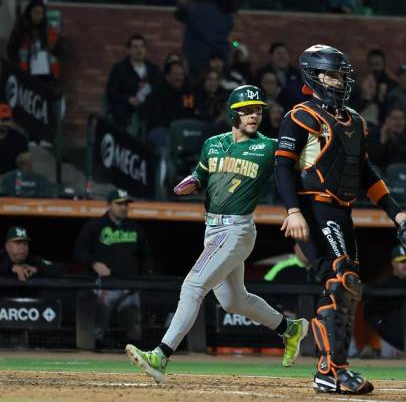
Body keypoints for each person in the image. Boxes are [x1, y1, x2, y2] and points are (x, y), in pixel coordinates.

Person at [274, 45, 406, 394]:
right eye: (333, 75)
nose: (340, 81)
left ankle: (327, 369)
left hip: (342, 212)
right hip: (313, 208)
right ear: (314, 76)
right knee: (340, 280)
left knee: (348, 288)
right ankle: (332, 369)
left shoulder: (357, 122)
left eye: (342, 75)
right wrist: (292, 211)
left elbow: (365, 173)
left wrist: (398, 215)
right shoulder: (300, 116)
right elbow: (282, 166)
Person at [126, 85, 309, 383]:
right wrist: (192, 182)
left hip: (236, 229)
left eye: (258, 110)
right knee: (234, 301)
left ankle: (160, 355)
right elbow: (201, 174)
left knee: (193, 287)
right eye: (247, 110)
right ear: (232, 113)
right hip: (212, 228)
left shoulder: (268, 147)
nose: (254, 115)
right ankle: (290, 329)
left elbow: (299, 160)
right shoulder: (212, 144)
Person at [74, 189, 155, 350]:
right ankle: (94, 358)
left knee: (134, 327)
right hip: (105, 285)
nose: (123, 207)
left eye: (126, 204)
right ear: (109, 205)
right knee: (98, 326)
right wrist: (94, 263)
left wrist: (143, 277)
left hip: (130, 286)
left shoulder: (135, 228)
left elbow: (147, 256)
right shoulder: (95, 226)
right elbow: (78, 251)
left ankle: (133, 357)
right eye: (119, 204)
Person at [364, 245, 406, 355]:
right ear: (393, 264)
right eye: (402, 261)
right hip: (387, 343)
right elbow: (370, 315)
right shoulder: (382, 286)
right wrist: (385, 334)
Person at [174, 0, 234, 76]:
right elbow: (232, 38)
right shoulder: (227, 13)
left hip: (197, 60)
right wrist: (235, 44)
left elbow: (178, 14)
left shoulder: (193, 8)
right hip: (221, 60)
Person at [105, 34, 162, 131]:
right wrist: (128, 98)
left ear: (145, 50)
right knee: (119, 110)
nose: (139, 50)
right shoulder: (119, 69)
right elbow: (111, 92)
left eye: (142, 47)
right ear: (128, 50)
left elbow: (160, 88)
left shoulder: (153, 69)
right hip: (126, 107)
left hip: (148, 106)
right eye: (135, 47)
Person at [141, 61, 195, 150]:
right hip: (162, 130)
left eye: (182, 74)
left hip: (183, 131)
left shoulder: (187, 95)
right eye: (176, 74)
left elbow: (189, 113)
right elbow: (155, 119)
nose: (180, 78)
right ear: (167, 76)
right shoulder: (156, 94)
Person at [7, 0, 61, 85]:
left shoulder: (47, 30)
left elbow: (55, 52)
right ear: (30, 12)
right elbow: (11, 50)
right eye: (36, 12)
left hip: (45, 76)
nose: (38, 16)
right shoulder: (21, 29)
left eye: (41, 13)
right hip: (25, 74)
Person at [367, 106, 406, 170]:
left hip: (405, 173)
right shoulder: (375, 133)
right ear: (387, 120)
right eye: (395, 118)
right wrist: (382, 141)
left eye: (402, 118)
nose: (399, 122)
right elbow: (373, 159)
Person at [0, 103, 30, 177]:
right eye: (2, 120)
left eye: (7, 120)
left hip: (10, 181)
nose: (5, 123)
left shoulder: (19, 139)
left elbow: (26, 164)